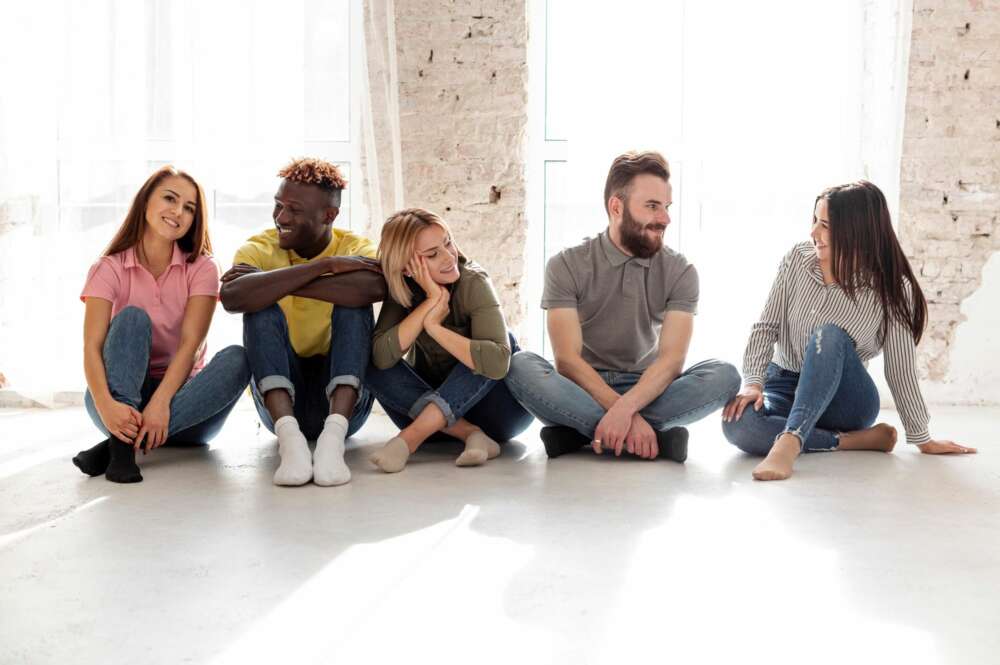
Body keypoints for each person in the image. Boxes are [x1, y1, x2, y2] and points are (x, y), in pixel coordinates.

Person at [721, 180, 977, 481]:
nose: (813, 232)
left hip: (845, 399)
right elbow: (766, 328)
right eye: (815, 220)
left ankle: (789, 442)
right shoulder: (796, 260)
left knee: (828, 335)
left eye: (825, 225)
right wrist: (753, 384)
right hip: (784, 384)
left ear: (858, 233)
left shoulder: (891, 289)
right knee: (738, 425)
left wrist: (921, 436)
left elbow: (900, 366)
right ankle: (850, 441)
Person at [505, 151, 740, 461]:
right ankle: (648, 437)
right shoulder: (566, 264)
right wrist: (628, 416)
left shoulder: (681, 271)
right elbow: (568, 362)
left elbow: (670, 362)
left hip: (647, 386)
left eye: (667, 207)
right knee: (520, 365)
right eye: (653, 206)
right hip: (582, 386)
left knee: (725, 375)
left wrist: (626, 409)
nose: (665, 219)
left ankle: (580, 433)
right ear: (616, 207)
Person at [74, 166, 250, 483]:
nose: (178, 212)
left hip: (189, 407)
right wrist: (105, 404)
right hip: (117, 406)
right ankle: (120, 439)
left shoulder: (203, 267)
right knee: (130, 318)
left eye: (189, 208)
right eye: (170, 198)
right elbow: (91, 347)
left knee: (239, 357)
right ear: (145, 202)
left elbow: (191, 346)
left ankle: (117, 448)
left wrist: (160, 404)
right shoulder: (108, 268)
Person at [220, 158, 385, 487]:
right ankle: (291, 444)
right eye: (278, 206)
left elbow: (376, 287)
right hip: (280, 404)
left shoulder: (355, 246)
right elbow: (232, 297)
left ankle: (332, 440)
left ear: (328, 216)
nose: (281, 217)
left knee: (354, 305)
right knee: (259, 307)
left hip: (345, 404)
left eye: (294, 210)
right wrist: (328, 267)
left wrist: (272, 281)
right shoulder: (260, 246)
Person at [365, 208, 533, 473]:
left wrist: (434, 328)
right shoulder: (402, 290)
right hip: (427, 411)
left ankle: (408, 441)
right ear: (407, 267)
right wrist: (429, 304)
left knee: (500, 346)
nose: (448, 257)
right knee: (368, 357)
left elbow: (498, 362)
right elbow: (380, 360)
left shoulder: (472, 281)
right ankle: (470, 434)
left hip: (497, 415)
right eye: (432, 254)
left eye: (448, 243)